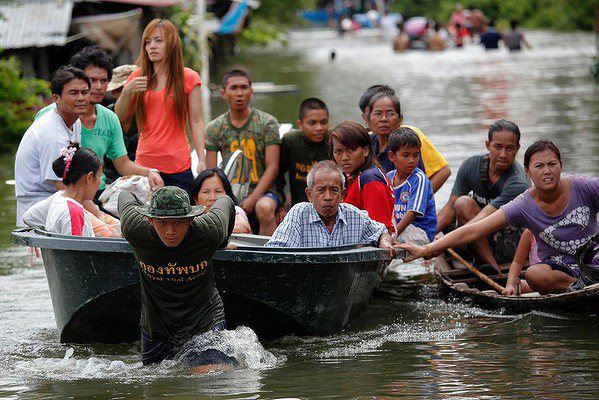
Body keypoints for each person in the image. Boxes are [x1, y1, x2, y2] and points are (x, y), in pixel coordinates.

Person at [400, 140, 599, 295]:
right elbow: (473, 229)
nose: (547, 171)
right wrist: (424, 249)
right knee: (533, 274)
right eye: (539, 166)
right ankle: (582, 288)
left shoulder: (583, 186)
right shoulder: (523, 204)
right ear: (528, 172)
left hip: (595, 260)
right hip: (561, 271)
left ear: (561, 166)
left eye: (552, 164)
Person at [118, 186, 238, 371]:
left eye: (178, 222)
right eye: (162, 223)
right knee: (157, 385)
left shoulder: (209, 231)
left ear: (191, 220)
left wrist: (221, 242)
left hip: (204, 320)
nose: (170, 232)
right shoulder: (135, 229)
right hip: (156, 325)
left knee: (213, 378)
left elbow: (226, 201)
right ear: (150, 219)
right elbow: (125, 195)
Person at [35, 47, 163, 196]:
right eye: (92, 80)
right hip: (58, 194)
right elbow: (53, 175)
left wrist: (150, 172)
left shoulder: (110, 118)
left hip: (96, 192)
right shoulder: (53, 116)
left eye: (103, 81)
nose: (98, 87)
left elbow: (123, 164)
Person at [115, 19, 206, 191]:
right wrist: (127, 92)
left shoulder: (189, 77)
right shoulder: (138, 77)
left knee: (182, 216)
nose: (152, 46)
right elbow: (119, 116)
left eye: (158, 40)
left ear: (171, 43)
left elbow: (196, 121)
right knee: (146, 217)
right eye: (148, 42)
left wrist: (201, 159)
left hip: (179, 165)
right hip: (145, 166)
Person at [436, 119, 530, 269]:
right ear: (488, 145)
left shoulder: (518, 183)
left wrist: (440, 244)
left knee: (463, 204)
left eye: (510, 148)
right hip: (478, 236)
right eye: (497, 147)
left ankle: (493, 268)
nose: (503, 154)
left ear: (517, 148)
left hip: (510, 244)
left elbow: (482, 219)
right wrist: (425, 241)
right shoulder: (471, 165)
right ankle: (483, 262)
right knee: (461, 203)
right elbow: (449, 210)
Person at [205, 69, 281, 236]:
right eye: (233, 88)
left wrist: (253, 198)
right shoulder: (215, 127)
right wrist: (226, 198)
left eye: (244, 87)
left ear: (251, 92)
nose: (239, 93)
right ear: (223, 93)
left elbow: (273, 167)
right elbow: (210, 173)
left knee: (264, 208)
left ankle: (268, 256)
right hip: (228, 191)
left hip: (263, 190)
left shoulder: (267, 123)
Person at [14, 66, 88, 226]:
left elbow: (72, 172)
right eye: (74, 93)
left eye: (84, 92)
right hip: (38, 209)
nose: (81, 98)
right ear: (56, 98)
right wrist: (94, 211)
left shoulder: (75, 122)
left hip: (57, 201)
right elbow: (62, 186)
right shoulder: (53, 134)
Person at [266, 160, 395, 251]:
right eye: (321, 190)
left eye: (334, 190)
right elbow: (274, 250)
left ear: (342, 194)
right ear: (309, 195)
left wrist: (384, 242)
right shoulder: (299, 213)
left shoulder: (354, 215)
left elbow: (382, 232)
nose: (328, 197)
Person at [360, 88, 451, 192]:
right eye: (378, 113)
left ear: (400, 119)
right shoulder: (366, 142)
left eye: (390, 113)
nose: (384, 119)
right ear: (367, 119)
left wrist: (422, 197)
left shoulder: (410, 137)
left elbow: (444, 171)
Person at [23, 145, 120, 237]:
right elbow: (77, 251)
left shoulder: (58, 197)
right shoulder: (74, 212)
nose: (100, 182)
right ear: (89, 177)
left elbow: (28, 217)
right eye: (99, 176)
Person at [330, 121, 394, 232]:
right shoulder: (351, 176)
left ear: (365, 151)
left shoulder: (370, 179)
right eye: (338, 151)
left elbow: (381, 229)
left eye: (351, 150)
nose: (344, 157)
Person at [386, 128, 437, 244]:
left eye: (415, 155)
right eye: (406, 155)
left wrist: (393, 235)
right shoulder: (389, 177)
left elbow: (412, 213)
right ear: (392, 156)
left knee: (386, 239)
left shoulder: (419, 178)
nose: (412, 161)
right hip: (399, 226)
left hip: (419, 230)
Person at [278, 97, 330, 206]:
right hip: (300, 205)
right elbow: (278, 175)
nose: (319, 128)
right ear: (300, 124)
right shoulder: (290, 141)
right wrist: (280, 204)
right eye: (312, 123)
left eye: (323, 122)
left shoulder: (333, 140)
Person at [104, 64, 140, 184]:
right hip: (108, 182)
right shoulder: (104, 118)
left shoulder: (149, 118)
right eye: (123, 90)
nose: (129, 94)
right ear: (114, 92)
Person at [189, 168, 251, 234]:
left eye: (218, 191)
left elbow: (243, 227)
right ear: (196, 199)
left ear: (227, 196)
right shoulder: (189, 216)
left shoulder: (236, 210)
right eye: (206, 192)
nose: (212, 198)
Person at [502, 229, 538, 295]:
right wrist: (510, 284)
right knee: (519, 286)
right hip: (537, 283)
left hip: (559, 280)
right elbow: (517, 262)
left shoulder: (562, 229)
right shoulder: (530, 232)